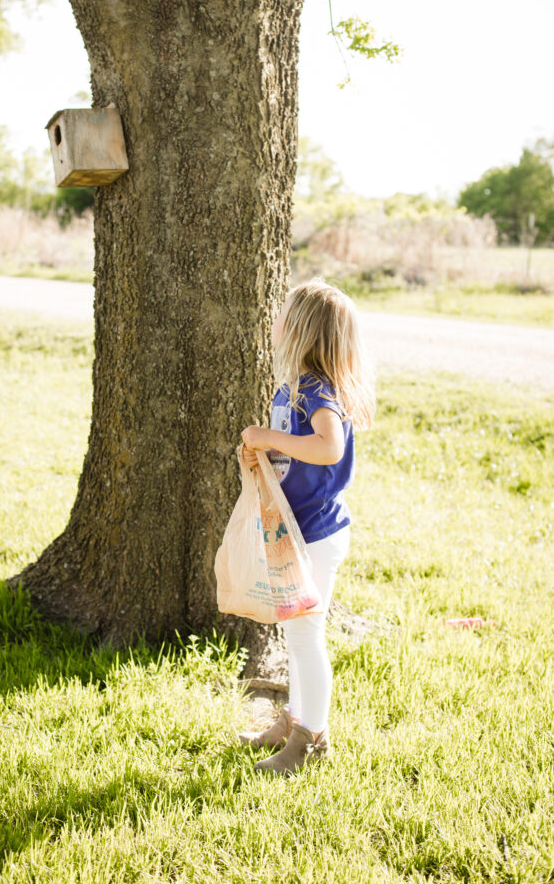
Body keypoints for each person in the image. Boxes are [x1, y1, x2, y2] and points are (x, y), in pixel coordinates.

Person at [239, 277, 375, 777]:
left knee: (305, 635)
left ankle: (310, 740)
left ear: (300, 329)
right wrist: (265, 451)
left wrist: (265, 435)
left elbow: (329, 448)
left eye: (283, 312)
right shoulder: (294, 386)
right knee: (295, 633)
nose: (275, 319)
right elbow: (299, 453)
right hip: (299, 530)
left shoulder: (317, 390)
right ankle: (294, 719)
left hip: (317, 533)